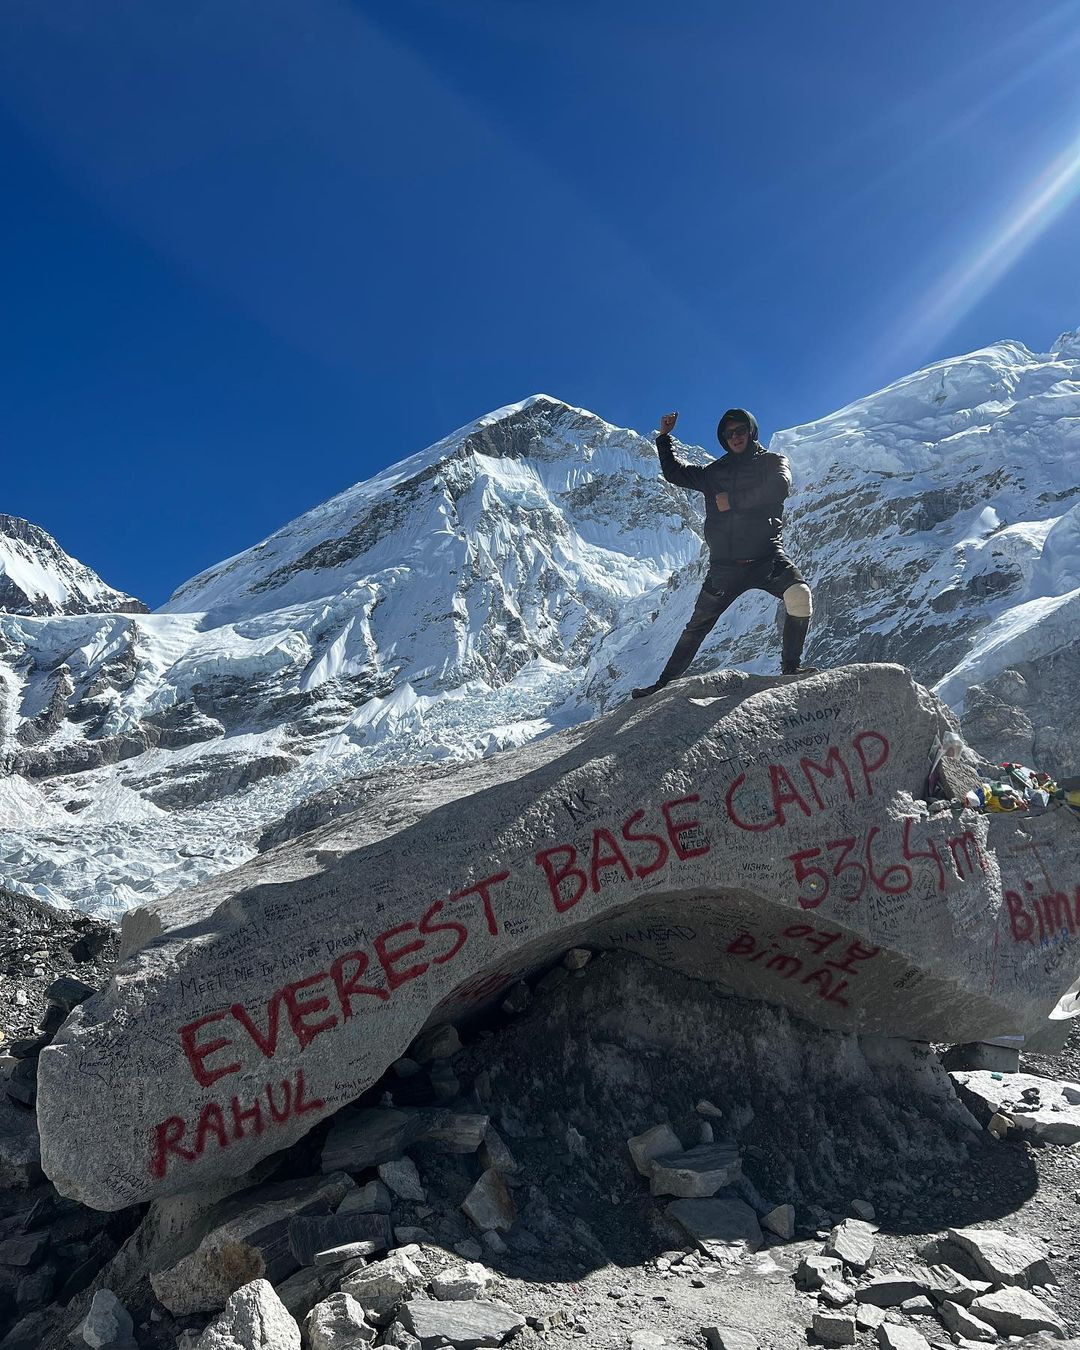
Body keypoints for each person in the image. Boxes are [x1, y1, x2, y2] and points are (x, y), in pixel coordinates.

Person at [631, 407, 814, 698]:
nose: (735, 437)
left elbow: (780, 486)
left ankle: (791, 669)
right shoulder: (713, 472)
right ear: (723, 438)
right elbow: (673, 473)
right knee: (697, 627)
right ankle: (662, 686)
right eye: (729, 434)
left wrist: (734, 501)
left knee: (799, 596)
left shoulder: (772, 462)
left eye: (740, 430)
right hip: (725, 566)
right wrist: (664, 438)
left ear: (751, 431)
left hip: (767, 556)